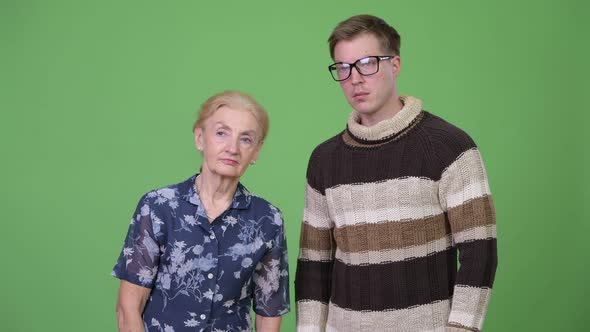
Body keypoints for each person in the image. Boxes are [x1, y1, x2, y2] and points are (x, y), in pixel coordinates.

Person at [295, 15, 497, 332]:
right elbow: (313, 264)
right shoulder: (324, 160)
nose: (355, 78)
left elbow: (479, 251)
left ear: (395, 64)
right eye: (343, 68)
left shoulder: (450, 147)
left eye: (367, 63)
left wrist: (461, 328)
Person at [112, 91, 290, 332]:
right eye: (221, 133)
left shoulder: (268, 219)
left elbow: (269, 311)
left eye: (245, 139)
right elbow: (128, 307)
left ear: (257, 151)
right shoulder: (159, 207)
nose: (232, 148)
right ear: (200, 138)